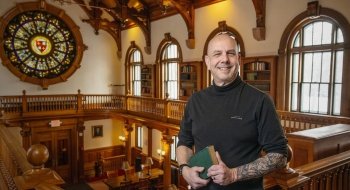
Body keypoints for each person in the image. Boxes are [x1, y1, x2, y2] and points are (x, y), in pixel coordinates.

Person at [176, 33, 288, 190]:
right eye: (217, 54)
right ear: (207, 62)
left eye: (230, 53)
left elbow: (280, 156)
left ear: (239, 59)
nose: (225, 59)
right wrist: (184, 169)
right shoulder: (195, 100)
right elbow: (184, 143)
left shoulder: (260, 101)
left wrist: (234, 174)